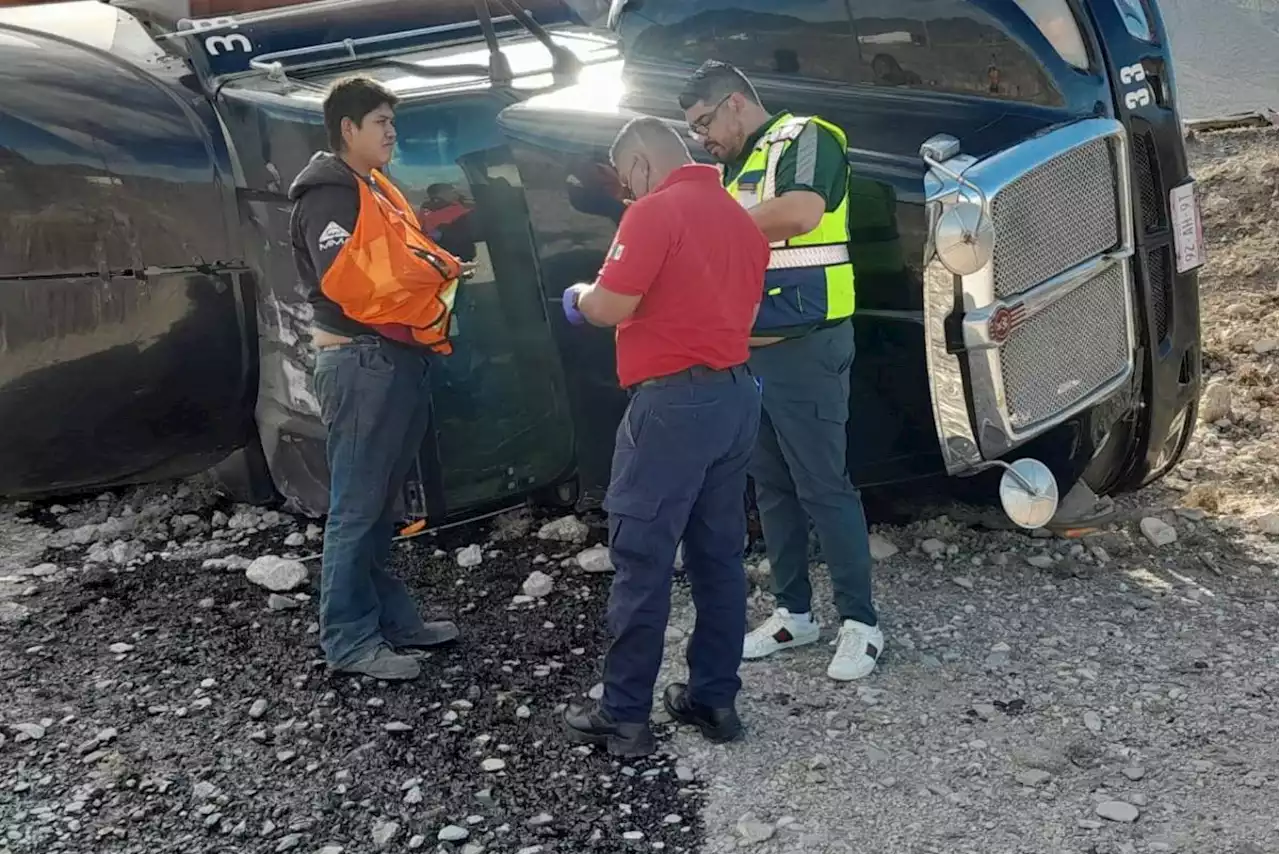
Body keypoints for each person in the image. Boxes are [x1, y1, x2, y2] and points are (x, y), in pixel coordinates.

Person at [559, 117, 767, 757]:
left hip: (672, 405)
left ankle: (623, 714)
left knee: (643, 559)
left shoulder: (653, 213)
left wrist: (578, 296)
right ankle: (713, 699)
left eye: (627, 181)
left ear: (643, 165)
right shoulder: (740, 217)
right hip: (735, 396)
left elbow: (611, 305)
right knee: (718, 558)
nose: (626, 194)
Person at [679, 60, 884, 682]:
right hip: (749, 346)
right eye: (692, 130)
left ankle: (861, 623)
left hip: (806, 341)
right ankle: (794, 612)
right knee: (770, 485)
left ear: (736, 102)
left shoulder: (805, 139)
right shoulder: (726, 170)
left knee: (824, 484)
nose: (702, 138)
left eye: (705, 122)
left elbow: (800, 212)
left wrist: (705, 227)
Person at [288, 76, 468, 681]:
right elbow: (353, 284)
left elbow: (402, 261)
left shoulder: (373, 190)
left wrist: (436, 265)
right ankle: (348, 640)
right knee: (357, 508)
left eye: (393, 121)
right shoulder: (329, 195)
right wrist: (433, 273)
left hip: (391, 359)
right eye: (380, 122)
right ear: (347, 129)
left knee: (379, 504)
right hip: (360, 360)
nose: (391, 132)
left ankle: (390, 620)